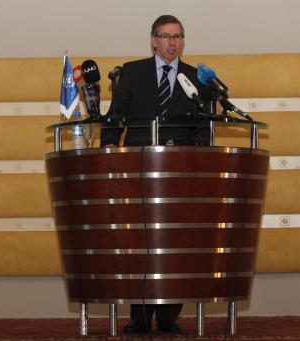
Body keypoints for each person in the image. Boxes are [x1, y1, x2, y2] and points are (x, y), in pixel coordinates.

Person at [100, 15, 210, 333]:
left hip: (179, 175)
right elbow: (114, 120)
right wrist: (110, 157)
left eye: (177, 37)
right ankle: (138, 316)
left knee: (174, 242)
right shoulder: (132, 73)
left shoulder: (195, 79)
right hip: (137, 169)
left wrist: (198, 165)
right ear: (153, 40)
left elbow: (202, 129)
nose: (172, 43)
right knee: (140, 240)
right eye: (165, 36)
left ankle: (167, 316)